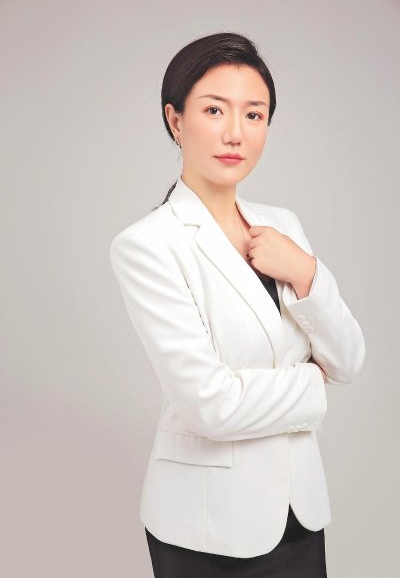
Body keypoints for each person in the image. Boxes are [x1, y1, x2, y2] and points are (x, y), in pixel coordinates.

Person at [110, 32, 366, 577]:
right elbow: (211, 405)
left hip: (300, 514)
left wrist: (306, 272)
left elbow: (348, 360)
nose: (235, 133)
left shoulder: (283, 226)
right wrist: (311, 382)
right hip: (206, 526)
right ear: (176, 120)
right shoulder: (148, 245)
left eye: (254, 114)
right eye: (214, 110)